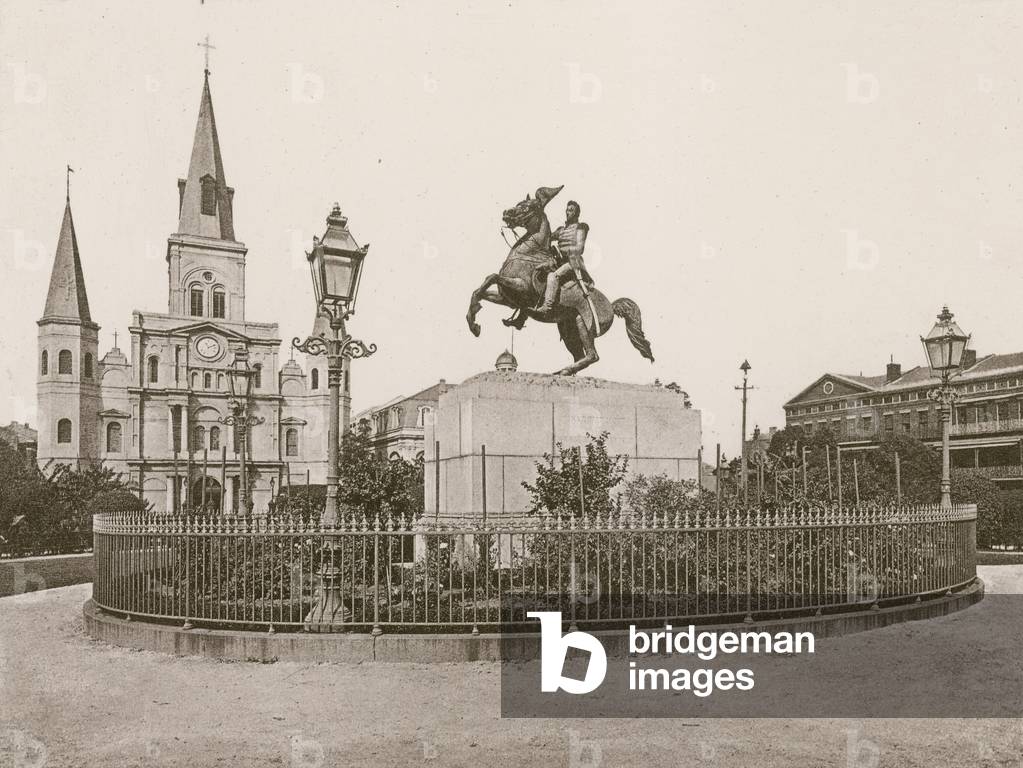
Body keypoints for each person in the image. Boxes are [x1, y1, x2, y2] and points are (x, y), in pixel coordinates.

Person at [539, 199, 591, 315]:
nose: (568, 212)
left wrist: (562, 251)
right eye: (567, 210)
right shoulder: (561, 230)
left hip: (573, 262)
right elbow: (546, 238)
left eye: (571, 210)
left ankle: (547, 307)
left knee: (553, 276)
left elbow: (579, 249)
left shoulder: (581, 227)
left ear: (576, 213)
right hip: (559, 261)